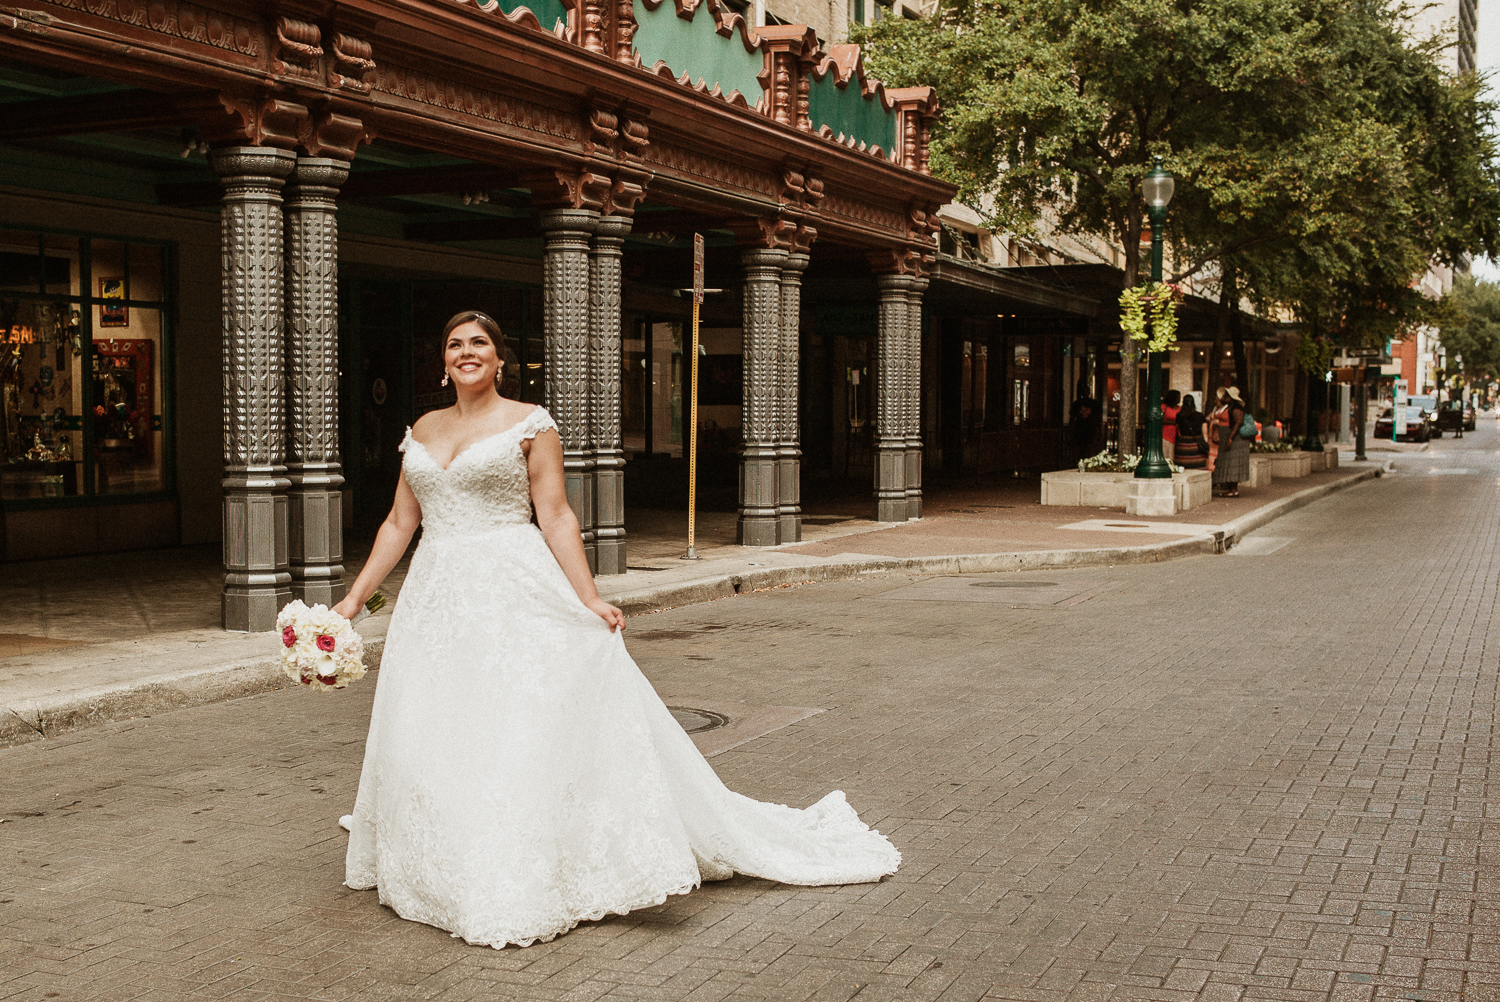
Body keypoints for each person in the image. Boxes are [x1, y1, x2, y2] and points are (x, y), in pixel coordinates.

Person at [330, 310, 899, 950]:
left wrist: (589, 597)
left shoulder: (531, 424)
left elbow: (555, 516)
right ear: (444, 361)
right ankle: (441, 852)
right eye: (455, 344)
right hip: (436, 597)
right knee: (437, 721)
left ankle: (516, 861)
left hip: (514, 584)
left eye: (480, 343)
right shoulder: (423, 430)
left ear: (499, 360)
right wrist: (353, 601)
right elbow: (400, 525)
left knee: (512, 719)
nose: (468, 353)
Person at [1212, 386, 1252, 497]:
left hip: (1236, 440)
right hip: (1228, 437)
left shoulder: (1236, 408)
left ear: (1232, 397)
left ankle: (1234, 490)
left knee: (1233, 463)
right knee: (1228, 462)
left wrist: (1230, 438)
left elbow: (1238, 422)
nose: (1224, 397)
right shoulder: (1229, 407)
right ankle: (1230, 488)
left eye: (1227, 395)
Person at [1173, 394, 1208, 469]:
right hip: (1196, 447)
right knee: (1198, 470)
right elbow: (1205, 432)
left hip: (1183, 447)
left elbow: (1177, 429)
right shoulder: (1200, 416)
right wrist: (1205, 444)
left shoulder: (1179, 416)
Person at [1160, 389, 1181, 463]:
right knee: (1166, 454)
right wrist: (1173, 423)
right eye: (1178, 397)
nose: (1179, 399)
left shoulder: (1180, 409)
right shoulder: (1164, 407)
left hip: (1176, 434)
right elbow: (1160, 420)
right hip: (1165, 434)